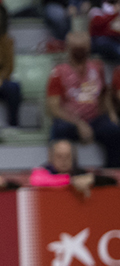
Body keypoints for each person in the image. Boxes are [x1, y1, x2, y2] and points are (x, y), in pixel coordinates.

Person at [47, 31, 120, 168]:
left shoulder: (97, 68)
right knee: (59, 130)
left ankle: (113, 173)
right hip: (70, 120)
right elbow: (54, 107)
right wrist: (79, 124)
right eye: (76, 48)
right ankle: (60, 171)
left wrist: (111, 114)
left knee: (114, 131)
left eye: (83, 48)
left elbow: (104, 96)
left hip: (94, 118)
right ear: (69, 49)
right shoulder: (58, 72)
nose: (80, 52)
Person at [29, 139, 117, 196]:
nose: (64, 160)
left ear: (73, 158)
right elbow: (36, 181)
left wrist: (91, 179)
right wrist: (72, 181)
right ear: (51, 157)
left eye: (67, 156)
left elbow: (112, 181)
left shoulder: (79, 172)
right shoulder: (42, 171)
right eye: (59, 156)